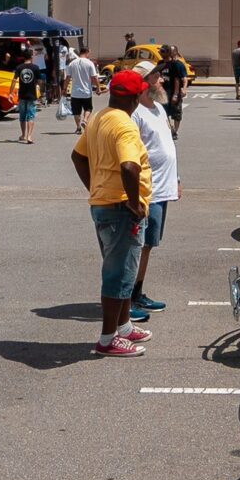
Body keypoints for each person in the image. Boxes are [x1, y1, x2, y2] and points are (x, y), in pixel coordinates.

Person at [70, 70, 152, 358]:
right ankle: (108, 339)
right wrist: (134, 202)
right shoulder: (124, 125)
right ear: (134, 97)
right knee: (119, 273)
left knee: (121, 268)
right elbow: (129, 166)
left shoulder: (101, 118)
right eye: (141, 93)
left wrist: (94, 185)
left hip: (104, 202)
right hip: (119, 208)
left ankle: (124, 326)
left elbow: (78, 155)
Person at [128, 68, 180, 321]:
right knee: (138, 246)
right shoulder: (135, 114)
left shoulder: (158, 109)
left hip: (163, 188)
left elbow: (165, 145)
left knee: (148, 245)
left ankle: (136, 292)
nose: (162, 80)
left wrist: (176, 178)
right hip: (147, 190)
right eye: (157, 77)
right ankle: (126, 298)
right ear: (144, 82)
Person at [65, 46, 98, 133]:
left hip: (75, 92)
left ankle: (78, 128)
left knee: (76, 111)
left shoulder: (72, 63)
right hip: (86, 91)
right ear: (87, 52)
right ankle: (85, 120)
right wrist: (98, 88)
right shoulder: (89, 63)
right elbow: (94, 77)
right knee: (88, 108)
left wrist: (64, 89)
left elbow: (68, 78)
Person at [156, 43, 189, 130]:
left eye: (163, 52)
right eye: (160, 51)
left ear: (168, 52)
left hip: (173, 91)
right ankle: (170, 129)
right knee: (164, 112)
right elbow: (156, 75)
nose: (161, 53)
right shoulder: (160, 63)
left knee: (176, 113)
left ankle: (175, 131)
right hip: (163, 92)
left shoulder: (175, 64)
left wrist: (176, 94)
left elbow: (177, 79)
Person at [14, 51, 43, 144]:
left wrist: (10, 92)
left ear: (23, 57)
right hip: (32, 95)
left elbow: (14, 80)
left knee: (22, 116)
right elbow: (39, 81)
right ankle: (29, 136)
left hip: (22, 94)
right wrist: (40, 90)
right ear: (31, 57)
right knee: (31, 116)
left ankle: (23, 135)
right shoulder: (35, 67)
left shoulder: (19, 67)